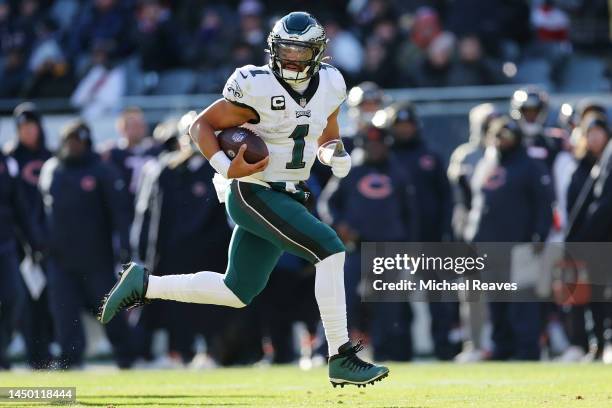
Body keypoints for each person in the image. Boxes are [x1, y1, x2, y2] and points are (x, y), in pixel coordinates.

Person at [99, 11, 389, 387]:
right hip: (255, 190)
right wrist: (224, 165)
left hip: (290, 193)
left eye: (300, 52)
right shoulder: (257, 85)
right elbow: (200, 125)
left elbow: (325, 138)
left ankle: (144, 285)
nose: (291, 59)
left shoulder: (332, 84)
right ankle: (339, 355)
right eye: (285, 50)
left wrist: (334, 154)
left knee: (236, 290)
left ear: (317, 54)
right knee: (330, 249)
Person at [39, 120, 136, 368]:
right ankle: (70, 360)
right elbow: (40, 210)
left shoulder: (102, 170)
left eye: (78, 141)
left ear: (87, 142)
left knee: (110, 309)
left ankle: (126, 356)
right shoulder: (53, 170)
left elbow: (119, 213)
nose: (73, 146)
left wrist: (124, 247)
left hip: (96, 258)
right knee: (64, 313)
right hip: (60, 258)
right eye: (69, 141)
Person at [318, 122, 417, 361]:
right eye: (370, 144)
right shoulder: (350, 172)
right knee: (343, 298)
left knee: (387, 304)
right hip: (356, 247)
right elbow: (327, 204)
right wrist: (339, 224)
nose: (375, 148)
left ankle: (386, 351)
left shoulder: (398, 171)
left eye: (379, 143)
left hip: (389, 247)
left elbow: (411, 213)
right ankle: (332, 350)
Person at [466, 117, 554, 360]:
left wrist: (539, 235)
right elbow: (478, 203)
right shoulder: (488, 163)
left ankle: (527, 351)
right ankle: (502, 348)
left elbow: (544, 204)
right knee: (497, 302)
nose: (502, 140)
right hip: (490, 246)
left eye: (507, 135)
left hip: (522, 245)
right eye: (498, 135)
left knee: (523, 303)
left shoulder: (529, 165)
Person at [3, 102, 54, 369]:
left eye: (31, 126)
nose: (28, 131)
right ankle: (33, 352)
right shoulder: (10, 158)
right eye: (23, 127)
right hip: (19, 242)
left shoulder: (51, 156)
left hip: (48, 238)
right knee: (22, 301)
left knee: (48, 299)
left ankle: (46, 351)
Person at [0, 151, 42, 369]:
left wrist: (33, 243)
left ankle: (1, 348)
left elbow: (20, 207)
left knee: (14, 297)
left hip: (4, 245)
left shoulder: (8, 163)